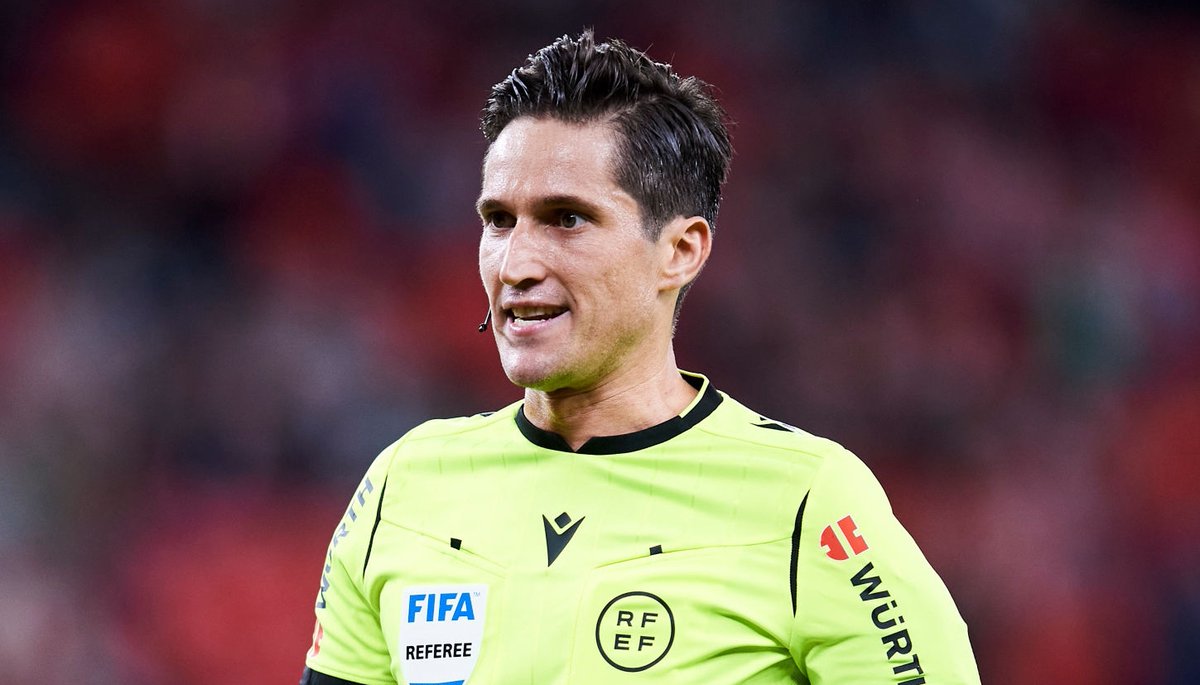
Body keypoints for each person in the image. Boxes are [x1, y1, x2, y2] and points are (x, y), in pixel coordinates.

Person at [300, 31, 980, 685]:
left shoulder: (808, 501)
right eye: (499, 220)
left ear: (680, 251)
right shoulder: (403, 488)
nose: (515, 264)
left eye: (567, 218)